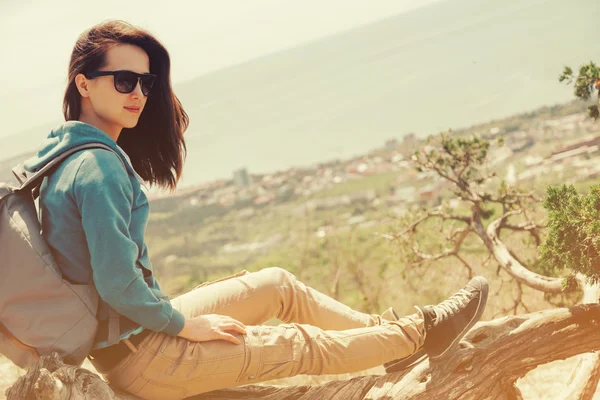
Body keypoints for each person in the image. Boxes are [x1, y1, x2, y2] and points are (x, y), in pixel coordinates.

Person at [24, 20, 489, 400]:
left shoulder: (64, 154)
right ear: (83, 83)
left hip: (133, 338)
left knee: (276, 286)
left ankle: (390, 337)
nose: (140, 93)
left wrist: (175, 323)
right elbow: (118, 284)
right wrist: (186, 326)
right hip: (144, 358)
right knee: (297, 344)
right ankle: (421, 333)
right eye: (124, 80)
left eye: (146, 81)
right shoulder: (97, 167)